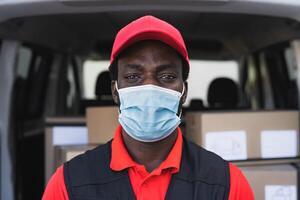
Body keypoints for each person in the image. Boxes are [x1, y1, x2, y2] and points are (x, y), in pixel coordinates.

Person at [42, 15, 254, 200]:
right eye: (133, 76)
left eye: (167, 76)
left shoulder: (227, 184)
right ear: (115, 91)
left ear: (184, 91)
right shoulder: (68, 184)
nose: (150, 88)